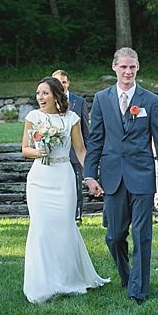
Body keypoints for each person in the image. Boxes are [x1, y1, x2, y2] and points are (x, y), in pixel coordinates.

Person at [84, 47, 158, 305]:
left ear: (138, 68)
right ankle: (127, 275)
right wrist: (90, 175)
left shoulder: (150, 100)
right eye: (123, 67)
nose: (128, 71)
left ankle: (138, 289)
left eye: (132, 67)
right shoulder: (102, 99)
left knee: (142, 234)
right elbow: (96, 140)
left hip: (143, 177)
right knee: (113, 236)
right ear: (114, 67)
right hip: (112, 176)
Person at [22, 77, 108, 303]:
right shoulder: (33, 117)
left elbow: (80, 151)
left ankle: (68, 280)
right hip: (39, 178)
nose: (40, 97)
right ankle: (42, 284)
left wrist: (90, 176)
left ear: (56, 95)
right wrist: (38, 152)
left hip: (63, 177)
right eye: (38, 93)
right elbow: (25, 149)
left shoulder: (72, 119)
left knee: (64, 227)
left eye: (45, 93)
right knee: (40, 229)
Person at [52, 70, 90, 222]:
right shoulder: (48, 101)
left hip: (75, 153)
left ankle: (76, 216)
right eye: (57, 82)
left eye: (64, 82)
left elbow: (86, 131)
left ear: (68, 83)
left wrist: (88, 154)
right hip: (55, 153)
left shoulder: (79, 102)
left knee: (75, 187)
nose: (61, 85)